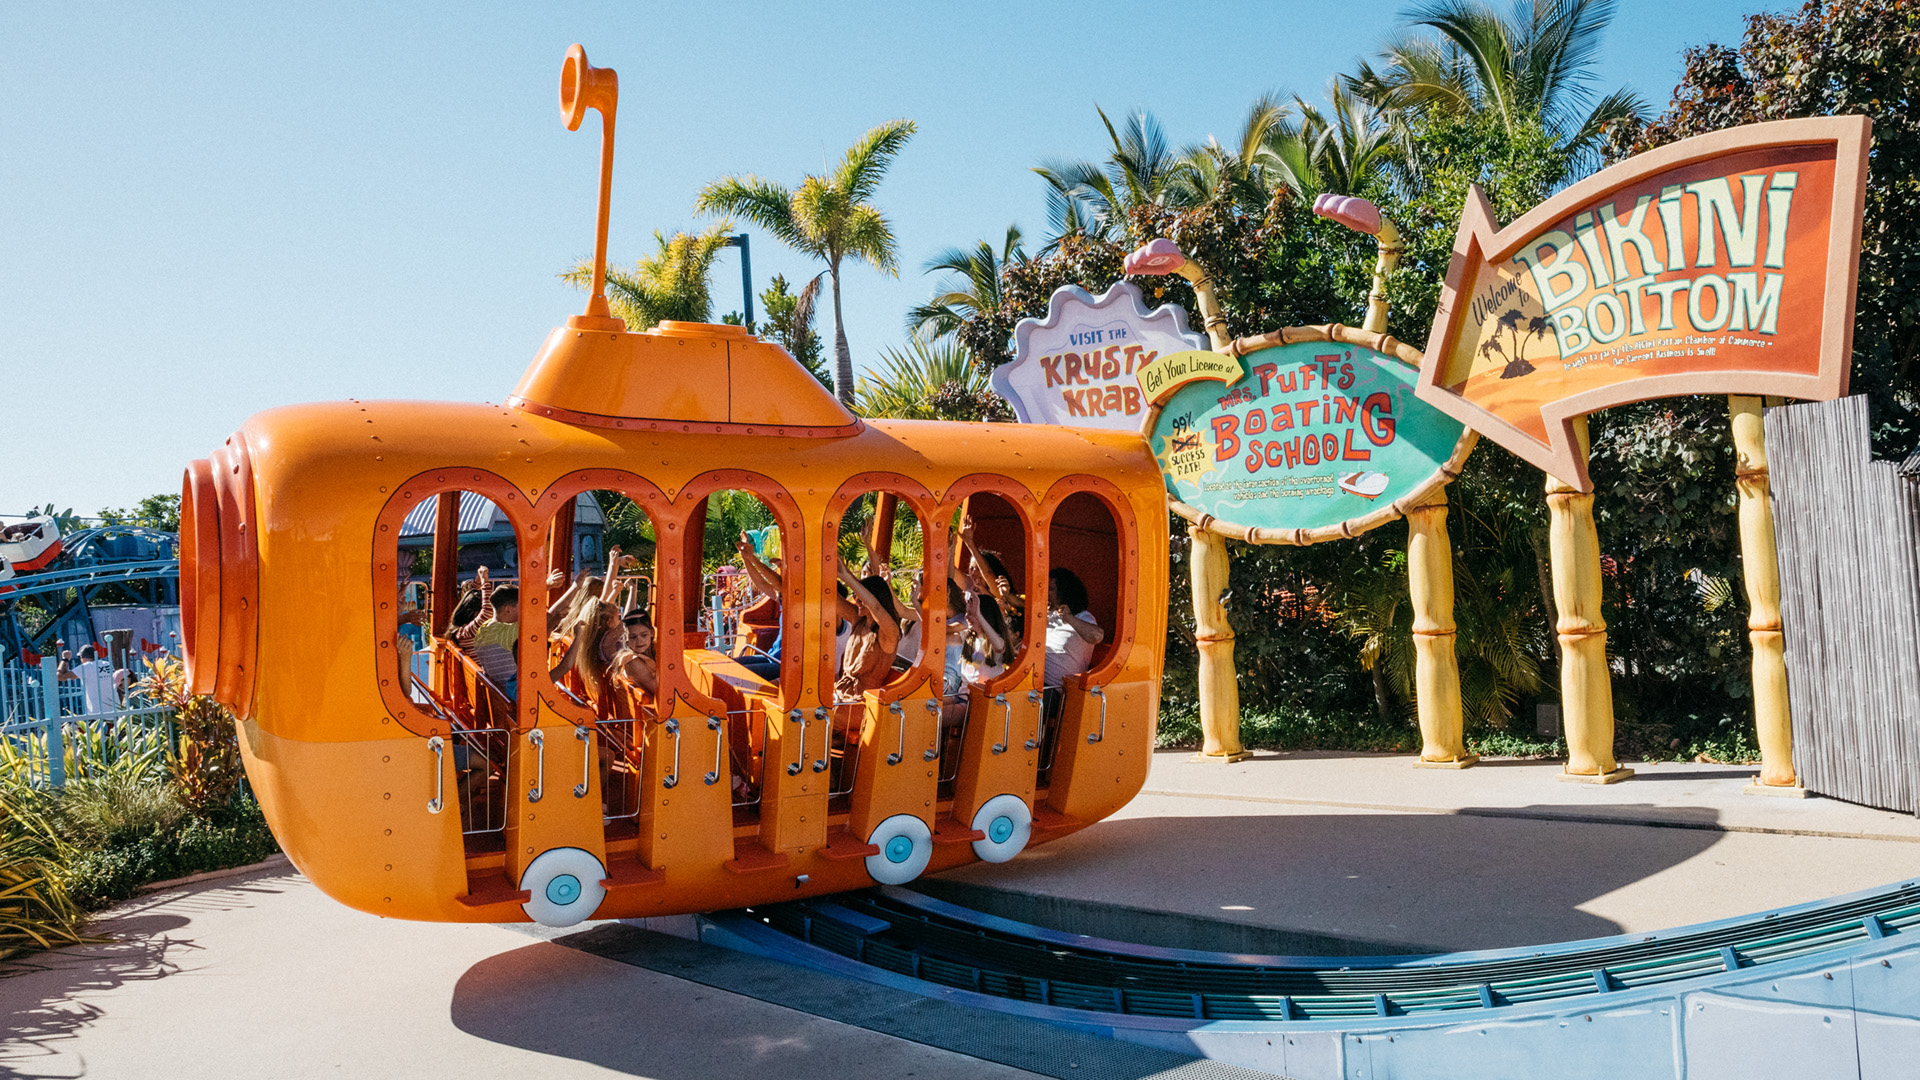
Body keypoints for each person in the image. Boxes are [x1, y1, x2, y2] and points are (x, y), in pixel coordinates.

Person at [834, 558, 901, 701]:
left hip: (862, 703)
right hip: (840, 693)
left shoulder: (888, 633)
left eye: (861, 597)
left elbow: (875, 607)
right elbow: (828, 597)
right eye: (855, 596)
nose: (856, 600)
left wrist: (847, 576)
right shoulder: (859, 619)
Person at [1042, 568, 1105, 714]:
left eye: (1051, 589)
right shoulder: (1049, 615)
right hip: (1035, 682)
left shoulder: (1084, 617)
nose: (1047, 593)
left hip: (1054, 692)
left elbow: (1097, 636)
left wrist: (1069, 618)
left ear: (1064, 592)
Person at [74, 644, 117, 714]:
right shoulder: (108, 664)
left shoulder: (86, 667)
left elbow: (62, 676)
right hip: (115, 709)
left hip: (96, 712)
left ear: (81, 657)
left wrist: (65, 659)